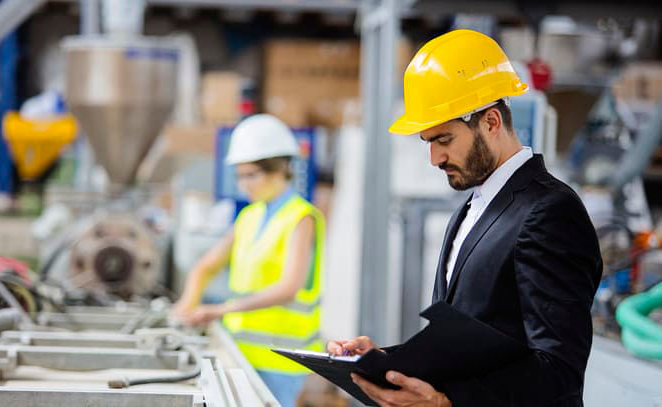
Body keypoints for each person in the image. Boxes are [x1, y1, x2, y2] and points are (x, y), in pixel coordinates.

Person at [328, 29, 602, 406]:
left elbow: (558, 370)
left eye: (444, 140)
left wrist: (447, 402)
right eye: (428, 143)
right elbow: (470, 348)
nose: (435, 159)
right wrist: (385, 361)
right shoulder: (470, 211)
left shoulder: (549, 211)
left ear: (490, 122)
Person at [171, 114, 325, 407]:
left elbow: (288, 288)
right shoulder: (249, 217)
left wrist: (220, 310)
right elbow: (206, 266)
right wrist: (185, 306)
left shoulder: (301, 218)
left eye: (252, 175)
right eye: (240, 175)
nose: (244, 185)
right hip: (241, 352)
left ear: (280, 168)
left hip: (282, 360)